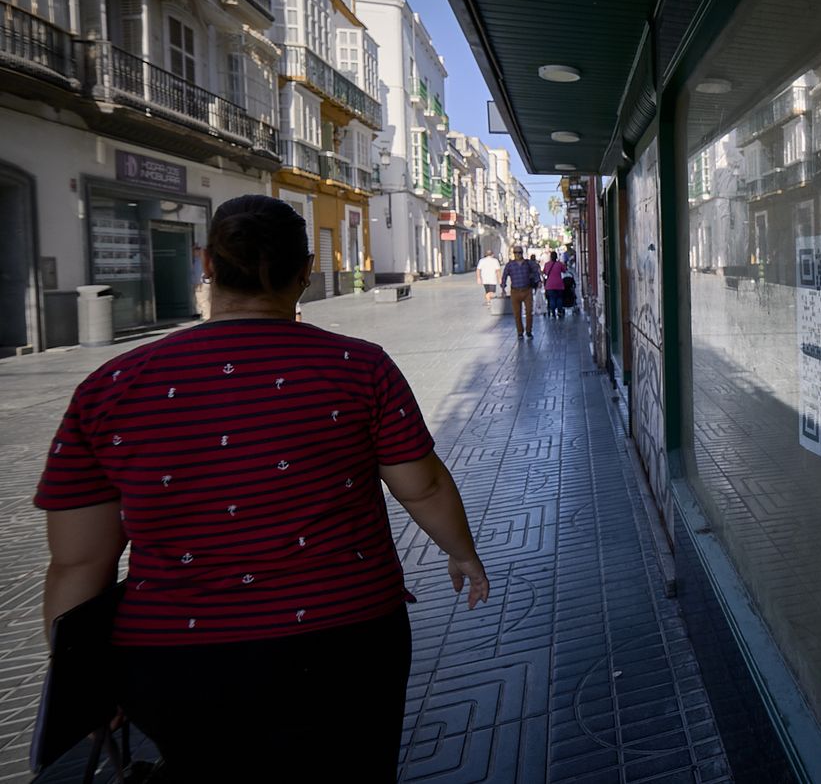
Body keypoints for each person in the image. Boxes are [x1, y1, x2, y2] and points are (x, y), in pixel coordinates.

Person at [35, 195, 490, 782]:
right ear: (304, 272)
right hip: (346, 641)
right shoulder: (359, 366)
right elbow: (421, 485)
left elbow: (77, 563)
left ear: (206, 264)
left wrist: (83, 685)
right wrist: (461, 552)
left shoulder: (109, 387)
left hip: (176, 658)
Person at [500, 247, 541, 338]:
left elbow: (535, 272)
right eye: (515, 252)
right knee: (517, 313)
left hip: (527, 290)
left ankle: (529, 331)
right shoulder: (510, 265)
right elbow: (504, 276)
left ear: (522, 253)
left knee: (529, 311)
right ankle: (520, 332)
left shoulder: (528, 263)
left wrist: (538, 281)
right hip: (515, 291)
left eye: (519, 252)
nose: (517, 254)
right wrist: (503, 287)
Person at [542, 251, 568, 319]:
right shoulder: (559, 264)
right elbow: (564, 270)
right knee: (559, 298)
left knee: (551, 299)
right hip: (559, 284)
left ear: (550, 257)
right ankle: (559, 311)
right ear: (556, 257)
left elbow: (544, 272)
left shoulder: (547, 264)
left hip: (549, 285)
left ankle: (553, 312)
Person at [189, 244, 209, 320]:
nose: (193, 252)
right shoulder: (196, 261)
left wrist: (199, 283)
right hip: (197, 283)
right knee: (199, 300)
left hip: (200, 284)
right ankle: (201, 314)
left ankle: (205, 316)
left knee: (203, 299)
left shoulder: (200, 261)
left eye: (195, 250)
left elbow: (199, 273)